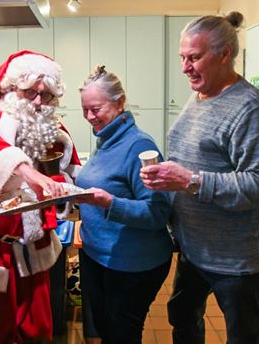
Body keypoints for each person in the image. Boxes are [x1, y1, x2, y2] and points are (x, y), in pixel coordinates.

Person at [140, 12, 259, 344]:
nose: (185, 67)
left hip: (236, 259)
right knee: (183, 318)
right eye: (182, 57)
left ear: (223, 54)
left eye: (194, 57)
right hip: (194, 249)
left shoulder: (252, 109)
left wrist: (191, 181)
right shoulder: (200, 94)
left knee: (243, 336)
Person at [0, 50, 81, 344]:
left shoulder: (47, 122)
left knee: (38, 330)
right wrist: (26, 172)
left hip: (34, 243)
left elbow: (66, 167)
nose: (37, 102)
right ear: (10, 87)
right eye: (30, 92)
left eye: (46, 96)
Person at [75, 66, 173, 344]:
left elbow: (158, 212)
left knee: (122, 335)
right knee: (106, 329)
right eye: (85, 110)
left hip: (133, 263)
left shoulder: (139, 145)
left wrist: (109, 203)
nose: (90, 117)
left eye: (96, 108)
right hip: (97, 255)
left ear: (119, 103)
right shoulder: (106, 139)